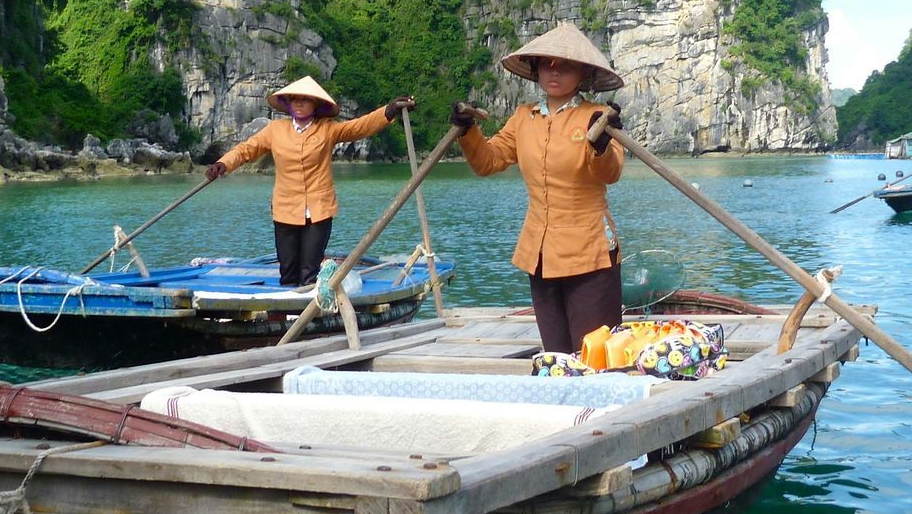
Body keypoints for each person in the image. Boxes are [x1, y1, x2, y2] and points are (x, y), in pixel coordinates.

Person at [450, 23, 625, 355]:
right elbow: (488, 161)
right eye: (547, 63)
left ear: (584, 73)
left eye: (566, 65)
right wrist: (467, 131)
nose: (554, 72)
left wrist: (600, 144)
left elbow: (610, 172)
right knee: (557, 356)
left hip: (589, 251)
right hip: (540, 252)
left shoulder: (598, 116)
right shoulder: (523, 117)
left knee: (596, 355)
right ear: (536, 69)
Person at [207, 77, 414, 288]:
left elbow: (359, 127)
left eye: (306, 100)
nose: (299, 103)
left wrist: (389, 111)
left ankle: (309, 314)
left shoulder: (327, 129)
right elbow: (246, 150)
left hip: (319, 210)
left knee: (309, 271)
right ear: (288, 103)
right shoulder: (275, 129)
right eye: (295, 99)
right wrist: (223, 164)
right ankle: (287, 315)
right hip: (285, 209)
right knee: (288, 271)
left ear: (315, 104)